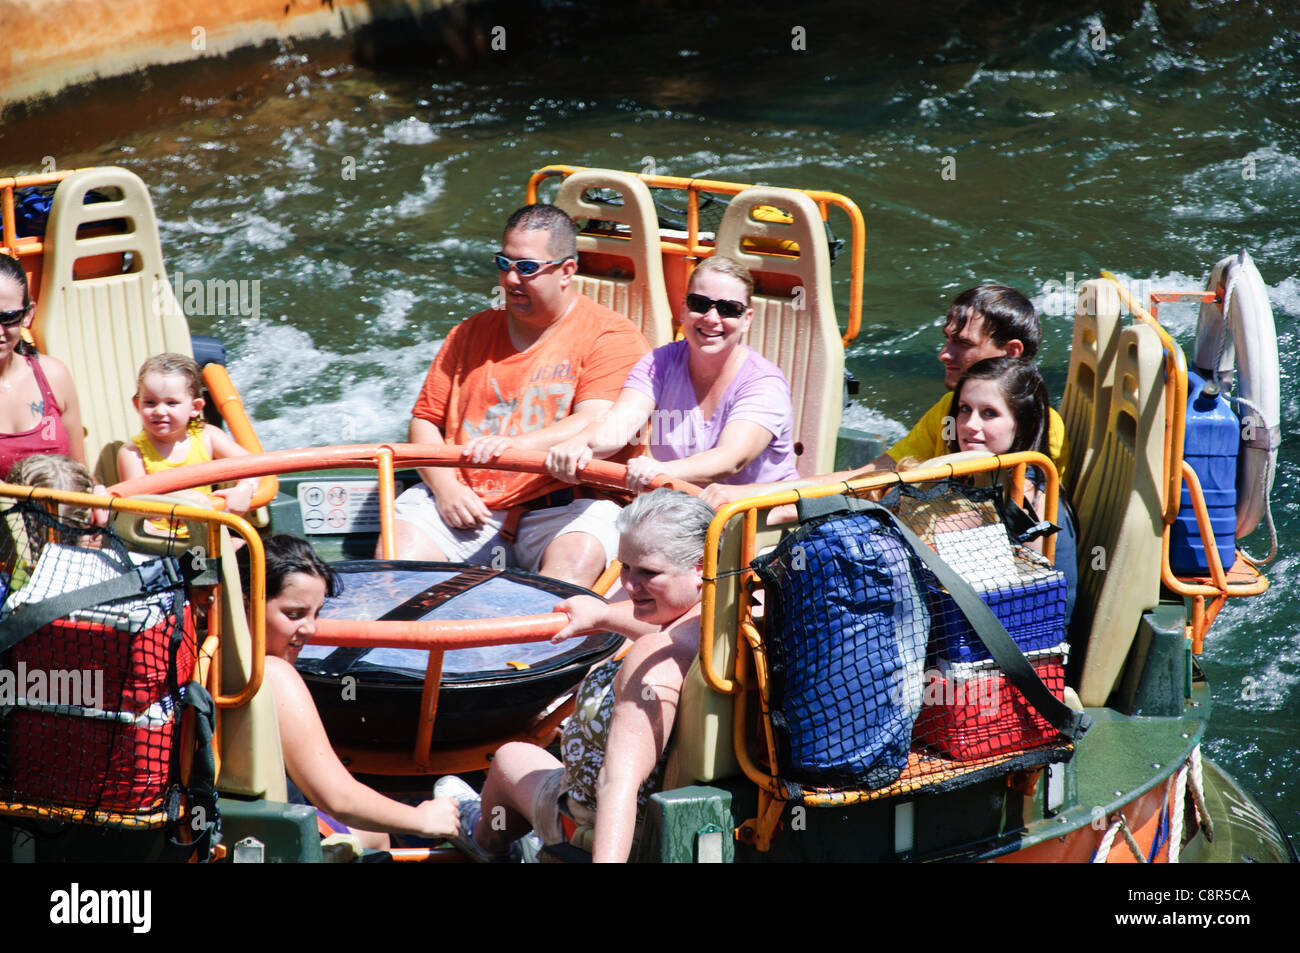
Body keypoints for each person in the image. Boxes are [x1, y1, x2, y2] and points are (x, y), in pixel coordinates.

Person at [434, 488, 714, 863]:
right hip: (683, 811)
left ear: (700, 567)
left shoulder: (654, 661)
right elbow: (672, 630)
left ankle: (487, 842)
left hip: (591, 825)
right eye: (624, 567)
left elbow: (618, 785)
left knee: (508, 758)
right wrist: (603, 615)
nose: (628, 586)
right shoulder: (726, 624)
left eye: (648, 572)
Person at [390, 204, 649, 586]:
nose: (511, 279)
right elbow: (426, 420)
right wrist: (445, 490)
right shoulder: (469, 333)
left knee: (577, 558)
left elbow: (596, 420)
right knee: (396, 559)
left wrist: (511, 447)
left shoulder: (610, 336)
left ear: (566, 271)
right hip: (466, 502)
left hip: (563, 507)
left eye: (526, 268)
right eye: (503, 263)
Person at [700, 283, 1070, 508]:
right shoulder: (949, 408)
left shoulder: (1035, 428)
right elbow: (875, 474)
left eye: (963, 344)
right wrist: (762, 495)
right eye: (946, 339)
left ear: (1011, 353)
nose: (944, 354)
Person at [248, 534, 461, 850]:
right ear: (243, 602)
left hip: (233, 828)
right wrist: (424, 819)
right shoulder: (273, 675)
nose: (311, 629)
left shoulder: (201, 652)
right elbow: (339, 797)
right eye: (293, 614)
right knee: (377, 839)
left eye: (316, 613)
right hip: (276, 841)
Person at [546, 256, 799, 492]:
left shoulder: (764, 384)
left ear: (746, 319)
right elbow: (618, 424)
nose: (711, 318)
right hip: (684, 509)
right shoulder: (659, 362)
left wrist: (663, 471)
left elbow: (731, 459)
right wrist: (579, 445)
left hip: (753, 520)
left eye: (728, 309)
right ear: (683, 310)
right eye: (699, 304)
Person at [948, 357, 1077, 617]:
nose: (969, 424)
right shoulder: (987, 477)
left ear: (1022, 426)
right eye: (964, 409)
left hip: (1021, 643)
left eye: (989, 413)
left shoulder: (1027, 493)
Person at [116, 353, 257, 514]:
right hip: (157, 534)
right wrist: (178, 498)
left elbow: (254, 466)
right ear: (137, 404)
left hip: (207, 527)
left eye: (172, 403)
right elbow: (135, 503)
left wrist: (244, 488)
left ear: (195, 408)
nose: (160, 411)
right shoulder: (133, 453)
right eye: (150, 402)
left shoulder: (208, 437)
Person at [0, 254, 86, 474]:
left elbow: (80, 471)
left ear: (28, 315)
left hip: (59, 506)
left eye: (8, 318)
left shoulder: (54, 375)